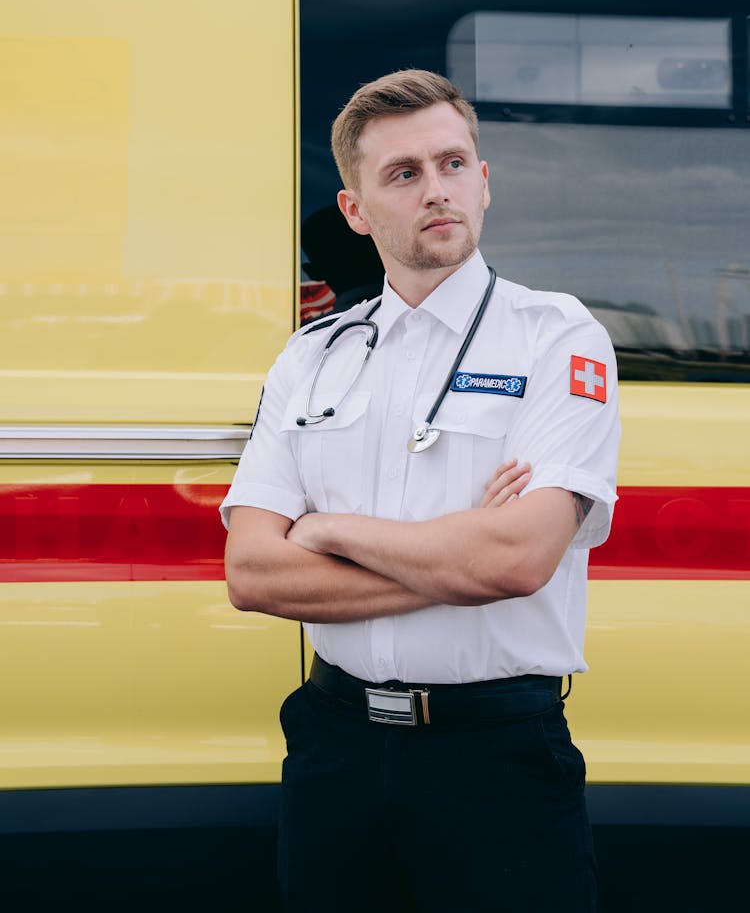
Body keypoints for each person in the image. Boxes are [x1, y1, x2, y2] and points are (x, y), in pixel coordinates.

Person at [221, 69, 620, 913]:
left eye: (451, 163)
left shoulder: (557, 337)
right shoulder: (312, 357)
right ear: (357, 210)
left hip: (496, 759)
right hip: (336, 754)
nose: (435, 190)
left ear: (483, 181)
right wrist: (451, 552)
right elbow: (254, 574)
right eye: (403, 173)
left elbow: (514, 562)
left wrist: (325, 526)